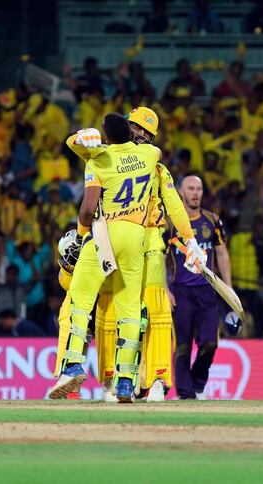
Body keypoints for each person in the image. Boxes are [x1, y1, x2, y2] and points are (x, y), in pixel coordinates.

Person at [49, 113, 205, 403]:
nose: (139, 133)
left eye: (146, 131)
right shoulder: (138, 156)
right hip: (127, 241)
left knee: (154, 313)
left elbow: (173, 204)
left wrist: (190, 239)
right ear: (127, 127)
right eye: (134, 126)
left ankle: (156, 379)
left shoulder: (134, 163)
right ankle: (114, 381)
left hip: (142, 244)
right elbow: (77, 145)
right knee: (112, 313)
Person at [168, 174, 230, 399]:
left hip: (207, 290)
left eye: (199, 189)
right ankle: (186, 394)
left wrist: (228, 288)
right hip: (180, 291)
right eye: (191, 189)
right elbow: (157, 258)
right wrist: (165, 289)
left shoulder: (212, 220)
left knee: (210, 343)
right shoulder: (171, 223)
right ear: (181, 193)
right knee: (182, 346)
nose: (195, 193)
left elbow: (222, 253)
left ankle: (197, 382)